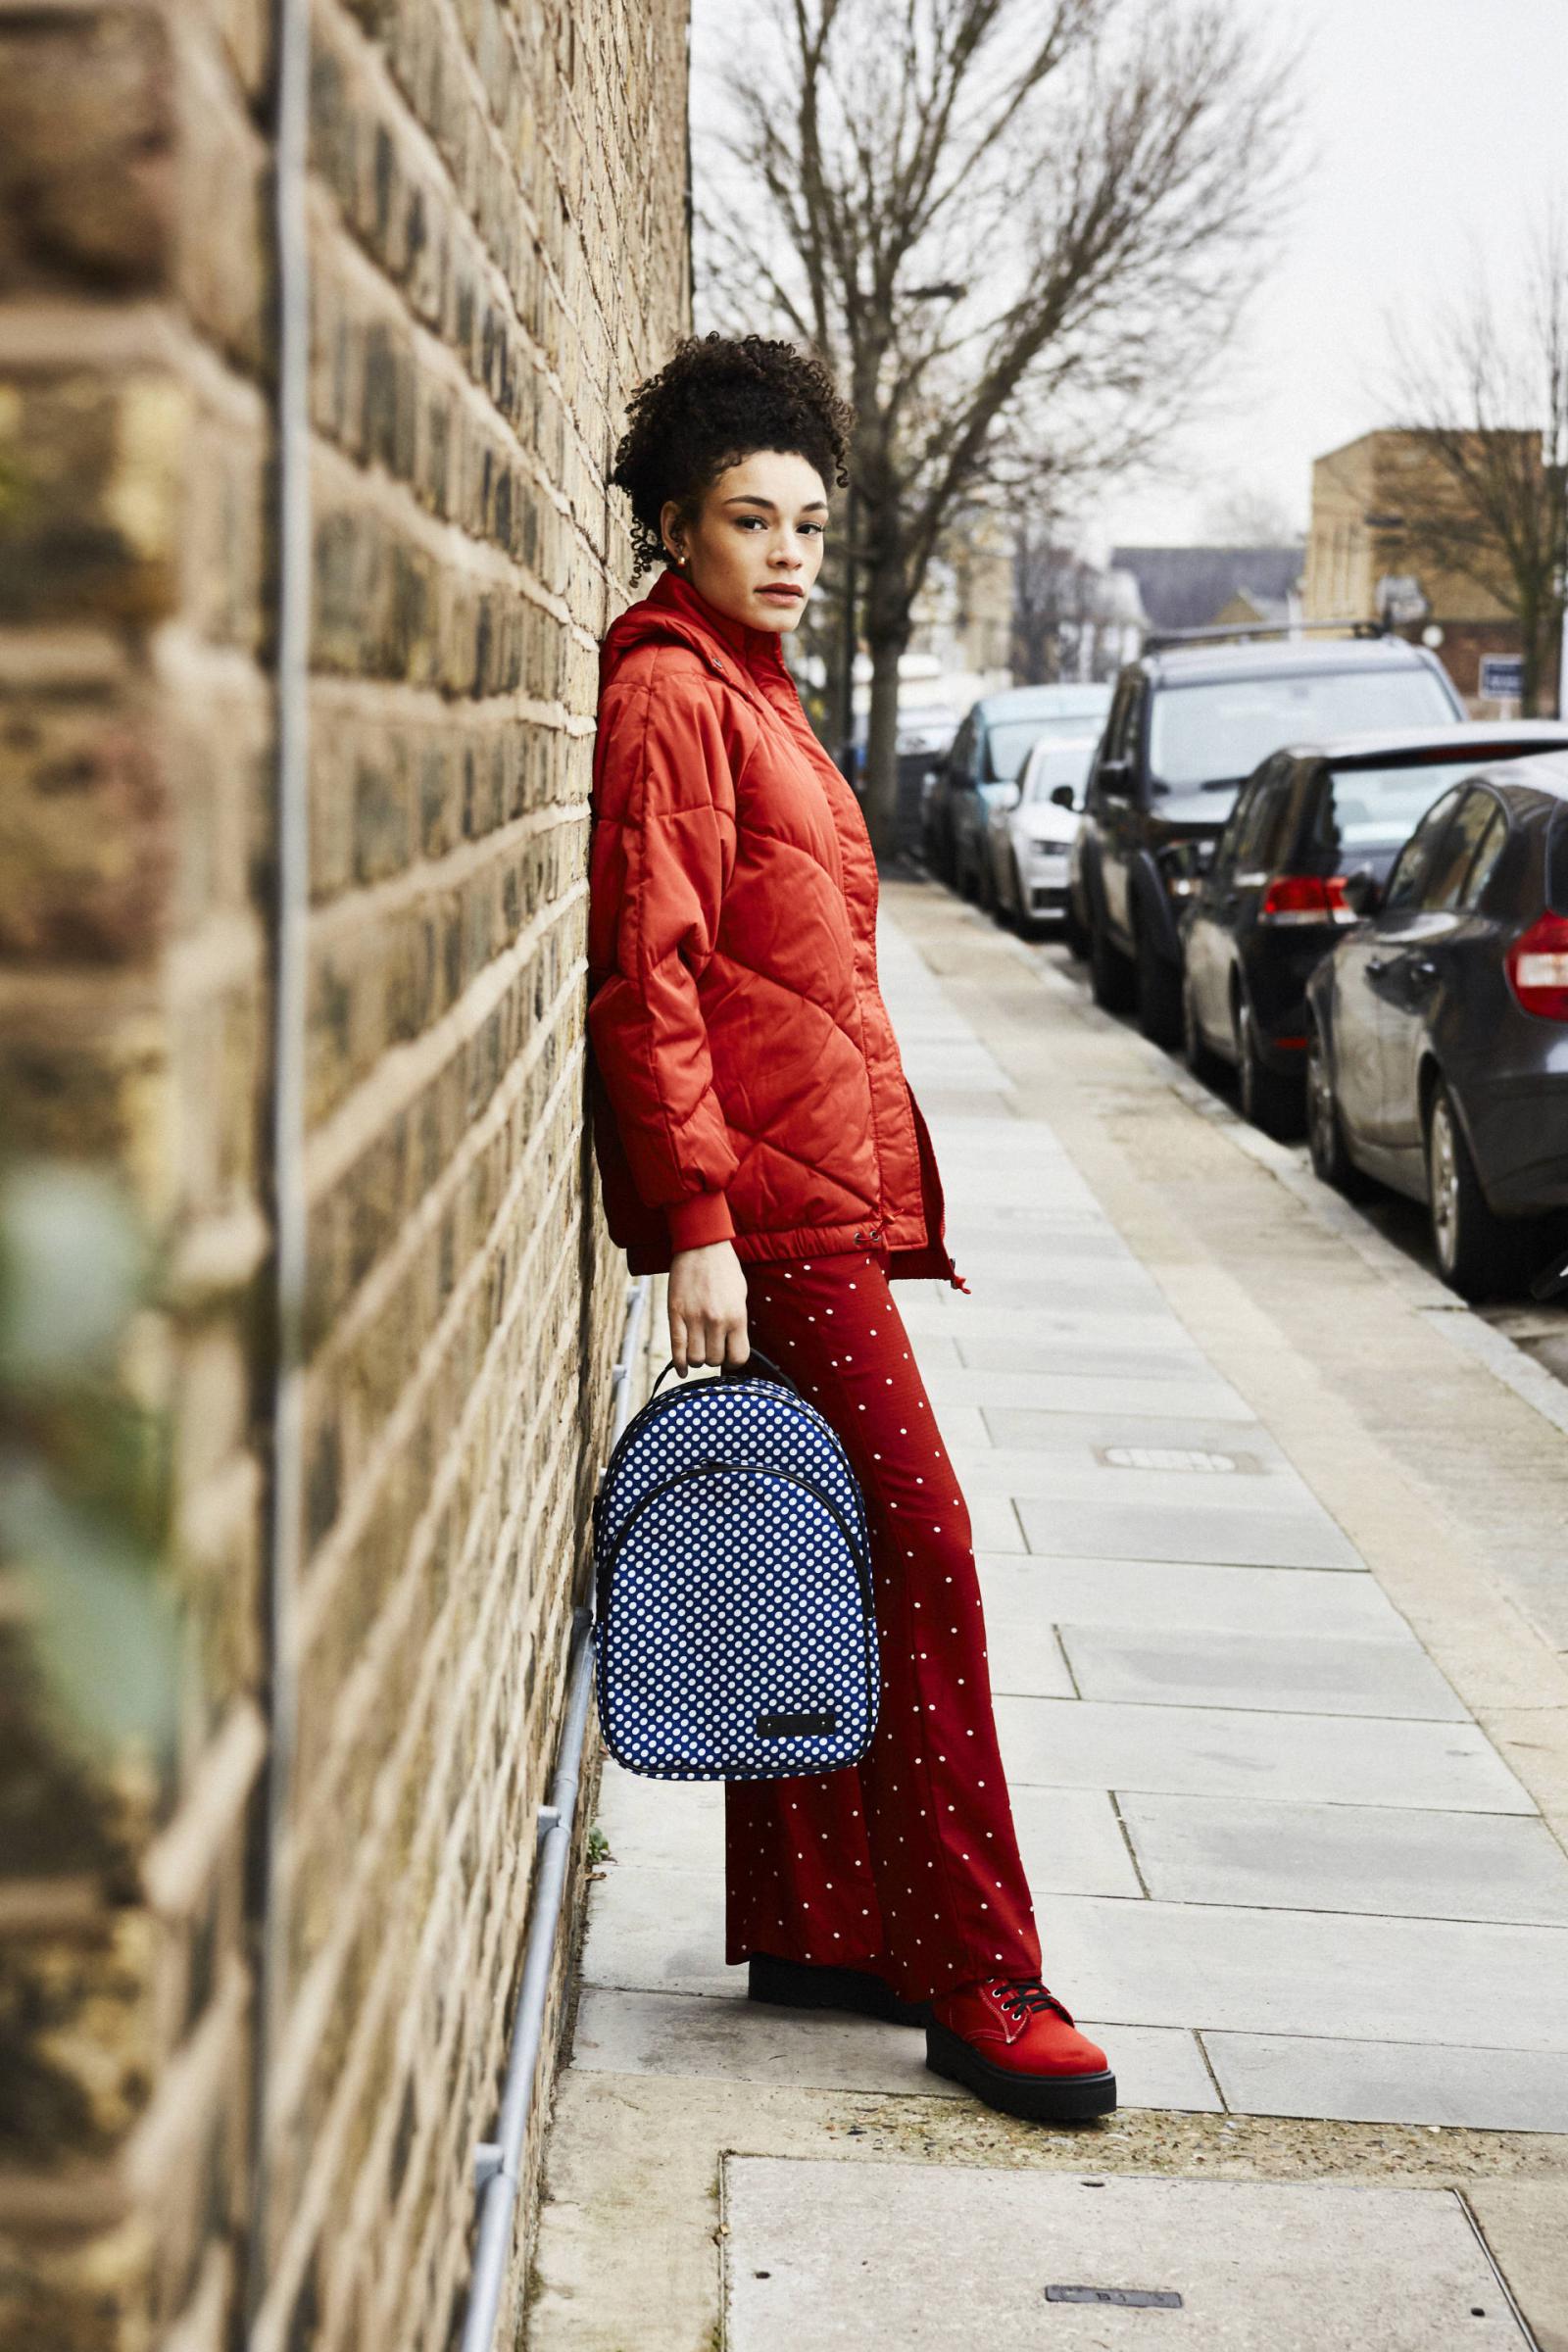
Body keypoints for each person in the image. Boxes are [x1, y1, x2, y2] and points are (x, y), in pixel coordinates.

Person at [584, 331, 1114, 2124]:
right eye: (752, 518)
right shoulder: (669, 688)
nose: (792, 549)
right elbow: (644, 980)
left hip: (808, 1191)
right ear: (678, 524)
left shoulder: (757, 681)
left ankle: (818, 1920)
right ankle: (977, 1970)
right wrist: (698, 1227)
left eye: (812, 518)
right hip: (773, 1217)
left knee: (837, 1551)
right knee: (926, 1552)